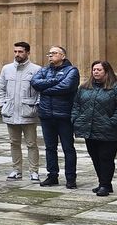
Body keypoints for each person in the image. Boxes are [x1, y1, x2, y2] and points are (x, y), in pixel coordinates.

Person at [73, 61, 117, 196]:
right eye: (94, 70)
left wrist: (112, 123)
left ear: (106, 71)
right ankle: (104, 183)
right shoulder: (85, 87)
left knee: (106, 158)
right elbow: (76, 105)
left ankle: (105, 184)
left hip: (109, 131)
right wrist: (76, 119)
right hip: (89, 129)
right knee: (95, 157)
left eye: (99, 70)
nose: (96, 72)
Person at [31, 45, 80, 189]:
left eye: (54, 53)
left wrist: (45, 90)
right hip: (46, 114)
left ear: (63, 56)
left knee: (68, 148)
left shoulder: (72, 70)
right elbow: (35, 82)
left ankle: (71, 178)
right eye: (49, 54)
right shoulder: (45, 70)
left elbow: (66, 86)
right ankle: (52, 175)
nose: (50, 56)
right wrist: (53, 82)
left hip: (64, 114)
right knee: (50, 148)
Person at [0, 42, 42, 181]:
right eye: (15, 51)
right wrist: (2, 104)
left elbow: (40, 90)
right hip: (11, 111)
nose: (17, 54)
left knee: (31, 143)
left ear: (28, 53)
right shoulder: (6, 69)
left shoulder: (37, 69)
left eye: (20, 52)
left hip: (28, 111)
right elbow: (1, 89)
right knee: (14, 143)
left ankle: (34, 171)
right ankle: (16, 170)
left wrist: (36, 106)